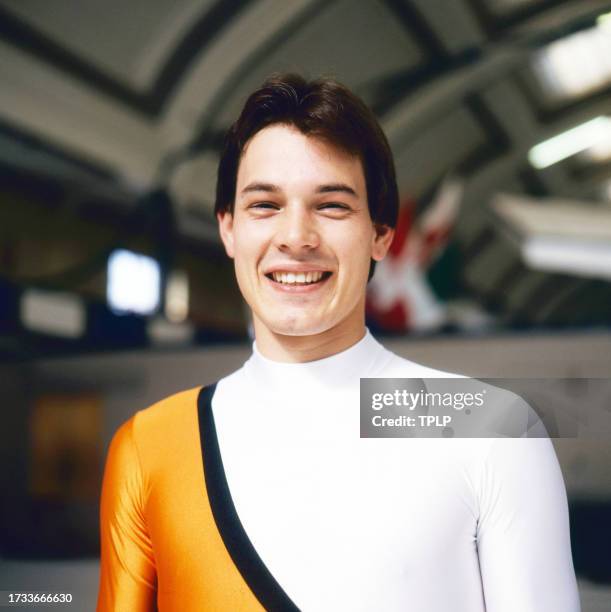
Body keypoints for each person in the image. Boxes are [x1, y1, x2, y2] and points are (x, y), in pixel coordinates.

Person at [97, 74, 580, 611]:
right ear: (228, 230)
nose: (297, 237)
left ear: (380, 234)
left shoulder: (494, 426)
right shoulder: (150, 446)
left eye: (331, 205)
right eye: (265, 205)